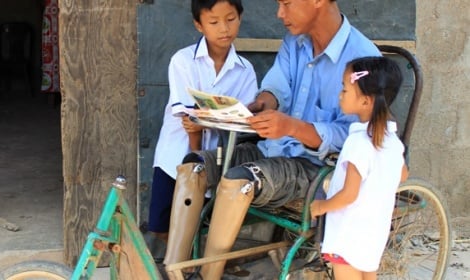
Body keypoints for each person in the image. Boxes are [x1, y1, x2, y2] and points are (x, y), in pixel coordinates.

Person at [163, 0, 384, 278]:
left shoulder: (363, 60)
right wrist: (261, 104)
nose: (280, 13)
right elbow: (276, 87)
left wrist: (293, 127)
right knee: (195, 167)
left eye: (287, 3)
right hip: (273, 149)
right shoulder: (295, 41)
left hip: (317, 167)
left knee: (239, 180)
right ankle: (173, 269)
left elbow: (360, 136)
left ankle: (208, 275)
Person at [148, 0, 258, 253]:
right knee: (161, 223)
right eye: (214, 22)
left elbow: (243, 119)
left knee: (201, 220)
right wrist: (212, 119)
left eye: (230, 19)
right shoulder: (183, 61)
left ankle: (193, 265)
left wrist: (212, 120)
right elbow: (186, 116)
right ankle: (185, 260)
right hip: (174, 156)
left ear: (240, 18)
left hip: (217, 159)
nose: (224, 28)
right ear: (199, 25)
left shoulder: (245, 71)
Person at [310, 57, 409, 280]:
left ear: (365, 101)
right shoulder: (392, 142)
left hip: (347, 234)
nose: (340, 94)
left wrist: (321, 206)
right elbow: (403, 174)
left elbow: (348, 195)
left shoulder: (358, 143)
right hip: (374, 233)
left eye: (345, 89)